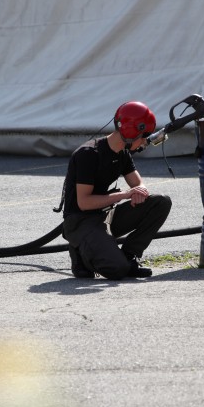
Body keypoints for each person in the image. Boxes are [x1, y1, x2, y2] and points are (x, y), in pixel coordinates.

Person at [61, 101, 172, 280]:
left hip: (104, 216)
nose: (145, 141)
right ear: (131, 132)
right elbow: (84, 203)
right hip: (80, 221)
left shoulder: (123, 153)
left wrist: (139, 192)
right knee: (117, 269)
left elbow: (139, 184)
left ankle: (129, 255)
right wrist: (125, 195)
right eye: (143, 136)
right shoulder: (89, 154)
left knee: (160, 202)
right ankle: (80, 250)